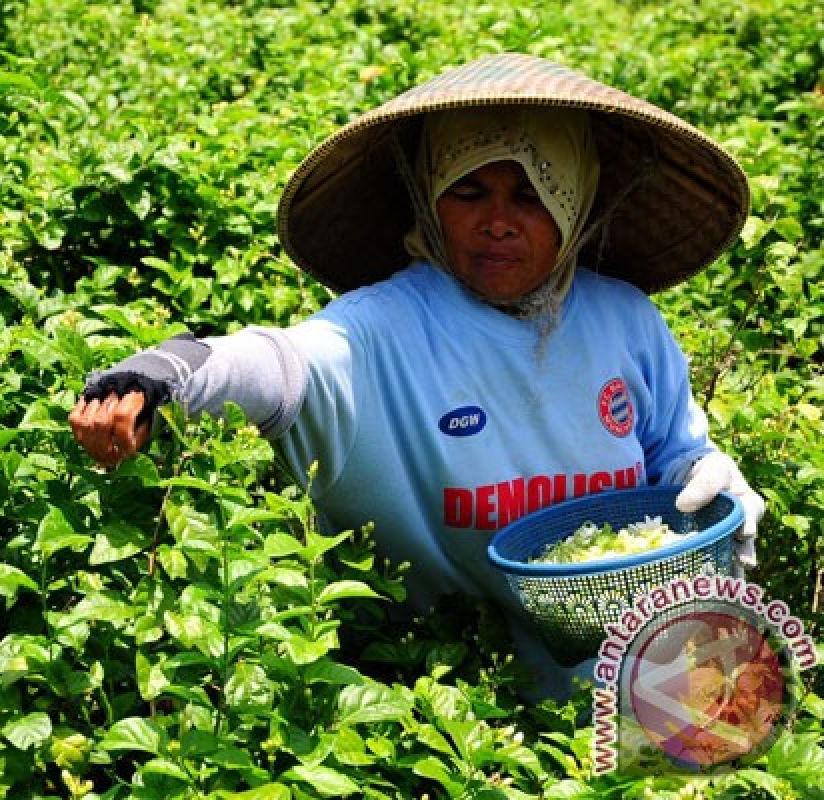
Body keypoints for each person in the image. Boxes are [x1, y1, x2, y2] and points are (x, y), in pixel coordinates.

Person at [68, 53, 765, 696]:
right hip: (459, 715)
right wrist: (163, 372)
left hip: (642, 687)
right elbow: (272, 365)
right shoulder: (379, 330)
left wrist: (712, 482)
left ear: (574, 197)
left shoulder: (626, 321)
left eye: (530, 195)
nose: (497, 222)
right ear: (429, 196)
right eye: (468, 192)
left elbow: (677, 458)